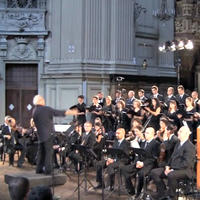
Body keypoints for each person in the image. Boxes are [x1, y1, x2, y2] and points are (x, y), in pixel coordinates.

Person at [32, 94, 76, 175]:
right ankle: (48, 171)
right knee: (49, 153)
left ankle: (39, 169)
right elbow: (57, 112)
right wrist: (71, 112)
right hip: (48, 134)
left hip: (40, 135)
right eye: (43, 100)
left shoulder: (35, 111)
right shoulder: (45, 109)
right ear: (41, 101)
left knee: (41, 152)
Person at [150, 126, 196, 200]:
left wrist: (173, 169)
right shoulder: (178, 143)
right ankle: (163, 192)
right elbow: (172, 157)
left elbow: (187, 163)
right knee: (154, 172)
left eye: (180, 131)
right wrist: (168, 166)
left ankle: (172, 196)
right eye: (179, 131)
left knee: (171, 175)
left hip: (185, 170)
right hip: (173, 168)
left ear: (187, 134)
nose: (178, 132)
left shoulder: (190, 146)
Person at [121, 127, 160, 199]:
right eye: (145, 132)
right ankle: (131, 190)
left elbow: (153, 158)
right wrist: (138, 161)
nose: (145, 134)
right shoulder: (143, 142)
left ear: (152, 134)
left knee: (141, 173)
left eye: (147, 133)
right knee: (124, 169)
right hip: (139, 162)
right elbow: (140, 153)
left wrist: (143, 163)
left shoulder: (155, 144)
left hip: (149, 165)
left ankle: (139, 193)